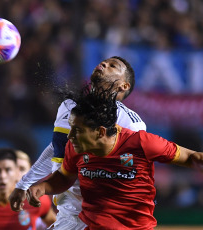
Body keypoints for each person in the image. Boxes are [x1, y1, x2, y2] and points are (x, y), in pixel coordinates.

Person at [27, 85, 203, 229]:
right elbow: (64, 178)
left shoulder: (141, 143)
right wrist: (42, 187)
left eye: (77, 130)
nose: (70, 136)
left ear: (99, 132)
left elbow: (189, 156)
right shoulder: (76, 148)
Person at [10, 56, 146, 229]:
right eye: (104, 62)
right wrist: (24, 184)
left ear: (124, 86)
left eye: (113, 66)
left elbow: (135, 174)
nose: (103, 64)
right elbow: (56, 149)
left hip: (101, 219)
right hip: (67, 216)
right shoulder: (69, 107)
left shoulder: (131, 123)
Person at [15, 150, 56, 229]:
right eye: (14, 169)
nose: (18, 174)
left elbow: (56, 225)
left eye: (22, 169)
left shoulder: (39, 199)